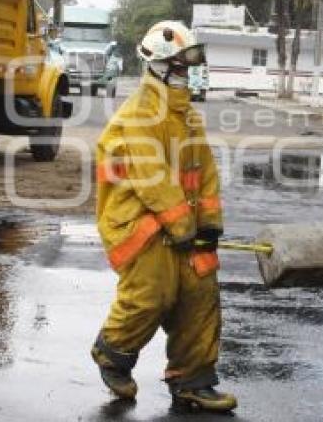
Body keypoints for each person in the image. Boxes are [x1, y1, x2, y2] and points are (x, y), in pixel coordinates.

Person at [91, 21, 237, 412]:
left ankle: (193, 380)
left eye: (190, 65)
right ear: (159, 65)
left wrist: (208, 227)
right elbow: (151, 178)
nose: (188, 73)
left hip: (182, 227)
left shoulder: (186, 115)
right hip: (139, 226)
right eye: (182, 65)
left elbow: (204, 173)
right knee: (152, 296)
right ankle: (113, 352)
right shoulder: (138, 114)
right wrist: (182, 226)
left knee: (200, 295)